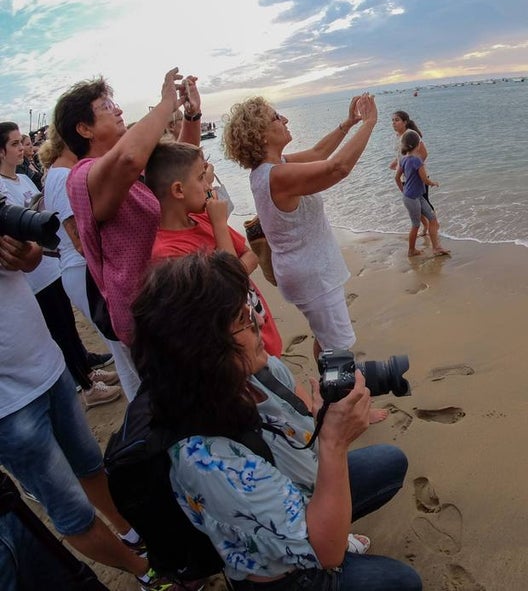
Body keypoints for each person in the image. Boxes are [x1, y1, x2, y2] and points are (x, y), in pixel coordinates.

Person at [131, 252, 421, 590]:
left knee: (389, 462)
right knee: (401, 583)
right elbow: (328, 554)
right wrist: (334, 443)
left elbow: (303, 445)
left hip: (294, 495)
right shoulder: (208, 461)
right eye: (242, 317)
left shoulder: (255, 374)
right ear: (203, 349)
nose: (258, 318)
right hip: (275, 574)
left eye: (251, 305)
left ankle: (326, 526)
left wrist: (326, 422)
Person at [0, 229, 169, 590]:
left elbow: (33, 259)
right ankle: (145, 571)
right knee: (70, 510)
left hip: (47, 364)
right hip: (8, 409)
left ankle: (131, 531)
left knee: (91, 464)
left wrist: (22, 251)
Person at [55, 69, 200, 400]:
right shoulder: (81, 178)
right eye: (107, 106)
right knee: (181, 400)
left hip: (171, 297)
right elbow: (131, 157)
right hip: (146, 313)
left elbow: (180, 169)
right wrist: (165, 103)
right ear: (84, 128)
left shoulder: (123, 167)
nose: (119, 110)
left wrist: (191, 113)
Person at [222, 95, 376, 358]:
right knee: (338, 351)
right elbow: (337, 168)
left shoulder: (273, 168)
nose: (285, 119)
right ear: (260, 135)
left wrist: (348, 123)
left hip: (307, 271)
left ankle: (331, 393)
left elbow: (318, 154)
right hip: (313, 277)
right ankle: (339, 395)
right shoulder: (276, 176)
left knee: (327, 341)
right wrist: (370, 123)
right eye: (276, 117)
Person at [0, 122, 120, 410]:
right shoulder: (1, 187)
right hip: (35, 279)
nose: (21, 148)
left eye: (21, 142)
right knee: (60, 330)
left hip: (48, 265)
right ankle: (87, 386)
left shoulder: (23, 180)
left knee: (68, 324)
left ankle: (87, 371)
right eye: (15, 144)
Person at [145, 141, 283, 357]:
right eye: (201, 178)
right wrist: (219, 225)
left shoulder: (203, 216)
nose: (209, 186)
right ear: (178, 189)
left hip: (260, 329)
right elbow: (227, 288)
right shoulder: (167, 253)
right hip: (239, 353)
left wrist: (231, 272)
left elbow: (250, 256)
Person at [395, 130, 448, 258]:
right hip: (412, 198)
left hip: (413, 196)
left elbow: (397, 178)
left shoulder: (403, 159)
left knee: (432, 219)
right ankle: (411, 250)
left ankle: (436, 248)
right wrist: (433, 183)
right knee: (416, 225)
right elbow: (424, 179)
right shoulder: (418, 161)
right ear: (418, 145)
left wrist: (404, 191)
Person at [388, 111, 430, 237]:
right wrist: (396, 162)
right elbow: (404, 154)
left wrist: (412, 169)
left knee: (425, 205)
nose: (394, 123)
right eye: (393, 120)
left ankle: (432, 229)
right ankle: (426, 226)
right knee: (413, 205)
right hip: (404, 177)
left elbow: (423, 154)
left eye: (397, 120)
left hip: (417, 178)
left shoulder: (411, 134)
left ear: (405, 122)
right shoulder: (397, 137)